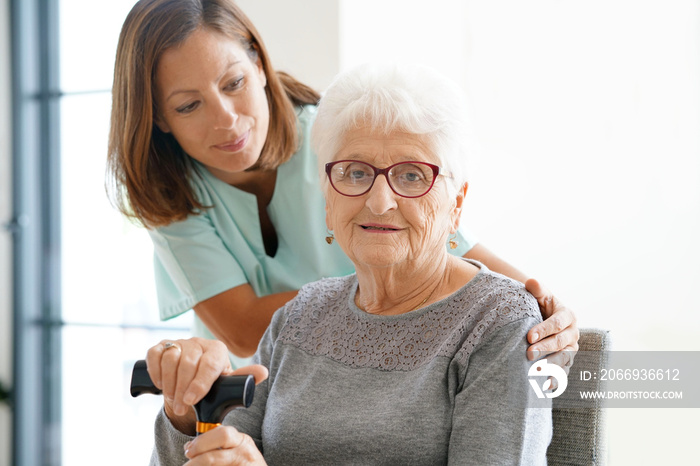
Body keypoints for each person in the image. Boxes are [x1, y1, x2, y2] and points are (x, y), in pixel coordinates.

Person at [107, 0, 578, 370]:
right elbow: (244, 331)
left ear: (256, 59)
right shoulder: (163, 192)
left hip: (361, 366)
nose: (226, 120)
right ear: (159, 118)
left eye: (233, 83)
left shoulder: (338, 141)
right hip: (250, 397)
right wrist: (384, 283)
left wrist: (544, 305)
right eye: (189, 106)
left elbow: (442, 241)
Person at [146, 63, 553, 465]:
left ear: (456, 204)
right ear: (328, 200)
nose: (379, 202)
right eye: (356, 172)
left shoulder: (502, 323)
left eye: (412, 176)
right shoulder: (299, 316)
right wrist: (183, 415)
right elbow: (217, 452)